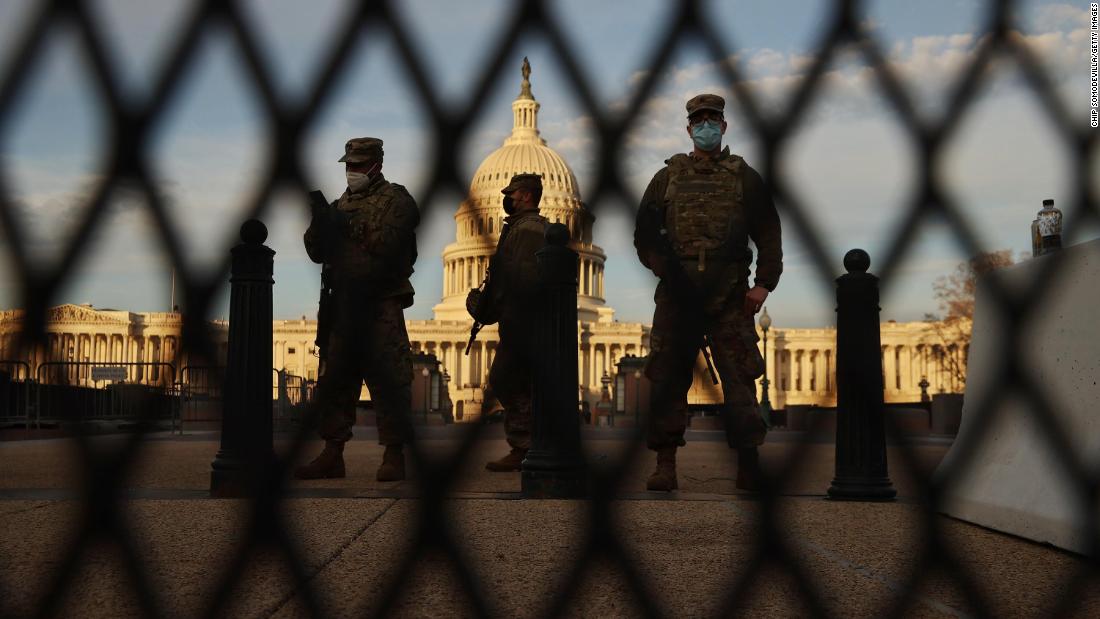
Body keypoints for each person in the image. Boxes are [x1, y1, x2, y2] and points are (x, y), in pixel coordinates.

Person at [634, 94, 783, 492]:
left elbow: (768, 232)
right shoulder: (666, 177)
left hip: (730, 295)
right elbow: (644, 234)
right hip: (678, 297)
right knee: (667, 379)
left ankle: (747, 462)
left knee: (740, 380)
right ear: (688, 129)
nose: (705, 126)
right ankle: (665, 463)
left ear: (723, 126)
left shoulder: (743, 176)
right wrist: (663, 269)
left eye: (712, 120)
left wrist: (763, 284)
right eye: (699, 120)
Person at [295, 137, 420, 482]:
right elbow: (316, 251)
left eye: (359, 165)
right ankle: (333, 452)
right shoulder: (338, 205)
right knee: (335, 380)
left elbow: (392, 243)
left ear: (377, 164)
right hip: (344, 304)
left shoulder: (396, 199)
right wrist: (321, 222)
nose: (353, 171)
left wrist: (347, 226)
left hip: (380, 301)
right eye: (349, 165)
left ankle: (394, 453)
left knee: (389, 379)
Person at [466, 173, 549, 471]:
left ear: (526, 195)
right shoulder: (519, 228)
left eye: (511, 193)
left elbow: (521, 280)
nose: (507, 198)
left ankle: (525, 446)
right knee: (517, 382)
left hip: (523, 324)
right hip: (522, 321)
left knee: (507, 379)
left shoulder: (526, 231)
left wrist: (491, 306)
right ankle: (530, 446)